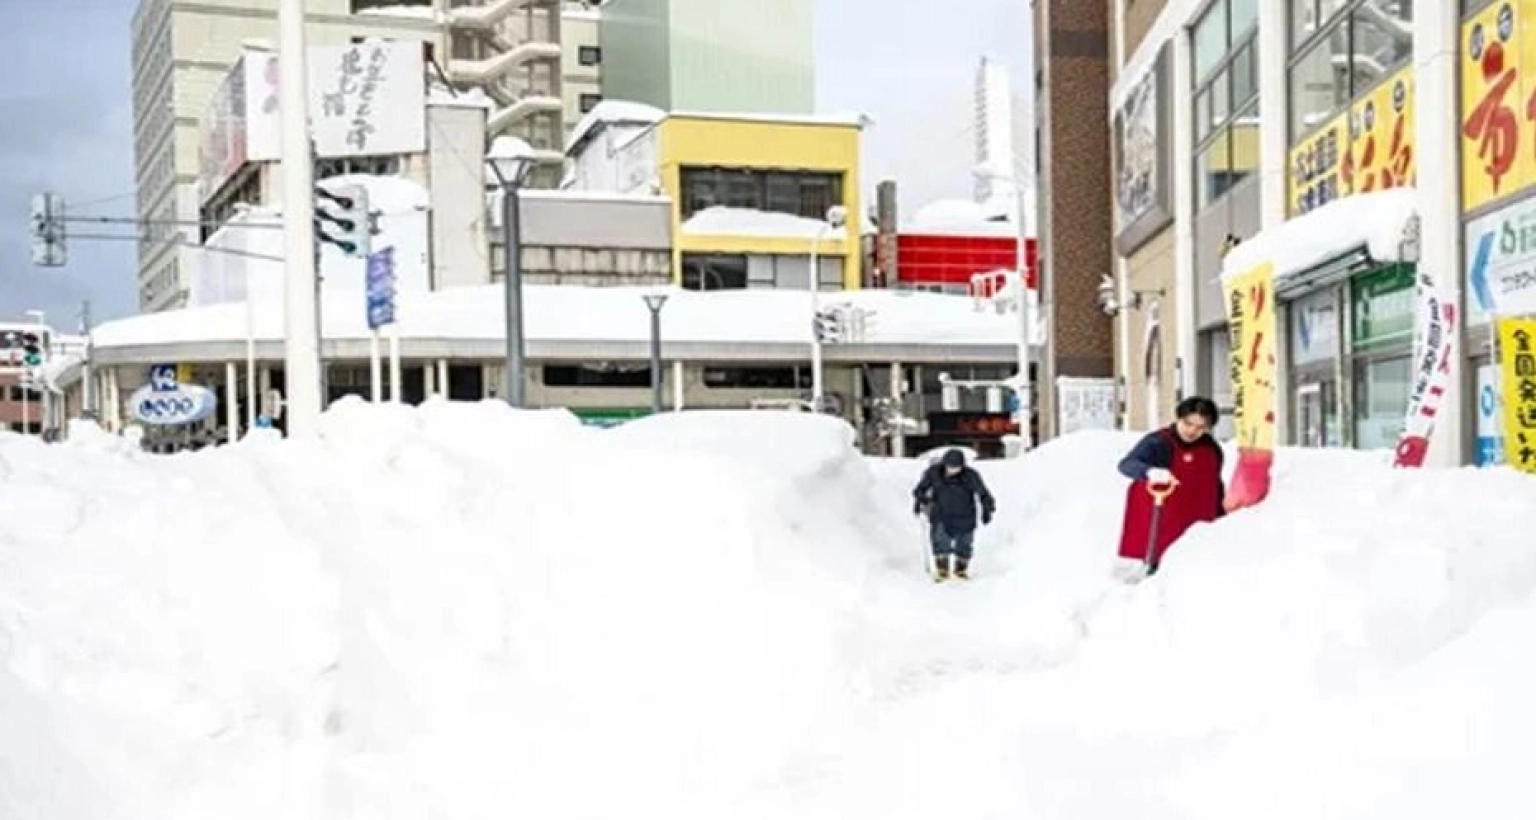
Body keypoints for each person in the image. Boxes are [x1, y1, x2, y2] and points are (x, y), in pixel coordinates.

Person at [1115, 396, 1226, 575]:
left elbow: (1215, 485)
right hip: (1161, 522)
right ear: (1178, 418)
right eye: (1188, 423)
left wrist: (1222, 517)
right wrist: (1149, 471)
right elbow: (1126, 464)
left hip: (1197, 523)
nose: (1192, 431)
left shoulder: (1212, 449)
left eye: (1200, 427)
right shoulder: (1158, 442)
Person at [912, 448, 996, 580]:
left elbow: (983, 494)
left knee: (965, 543)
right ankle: (942, 570)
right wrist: (921, 500)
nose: (952, 470)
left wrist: (988, 509)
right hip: (941, 514)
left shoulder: (971, 476)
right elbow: (919, 490)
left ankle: (960, 570)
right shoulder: (933, 473)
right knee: (940, 541)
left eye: (956, 467)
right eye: (950, 466)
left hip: (965, 516)